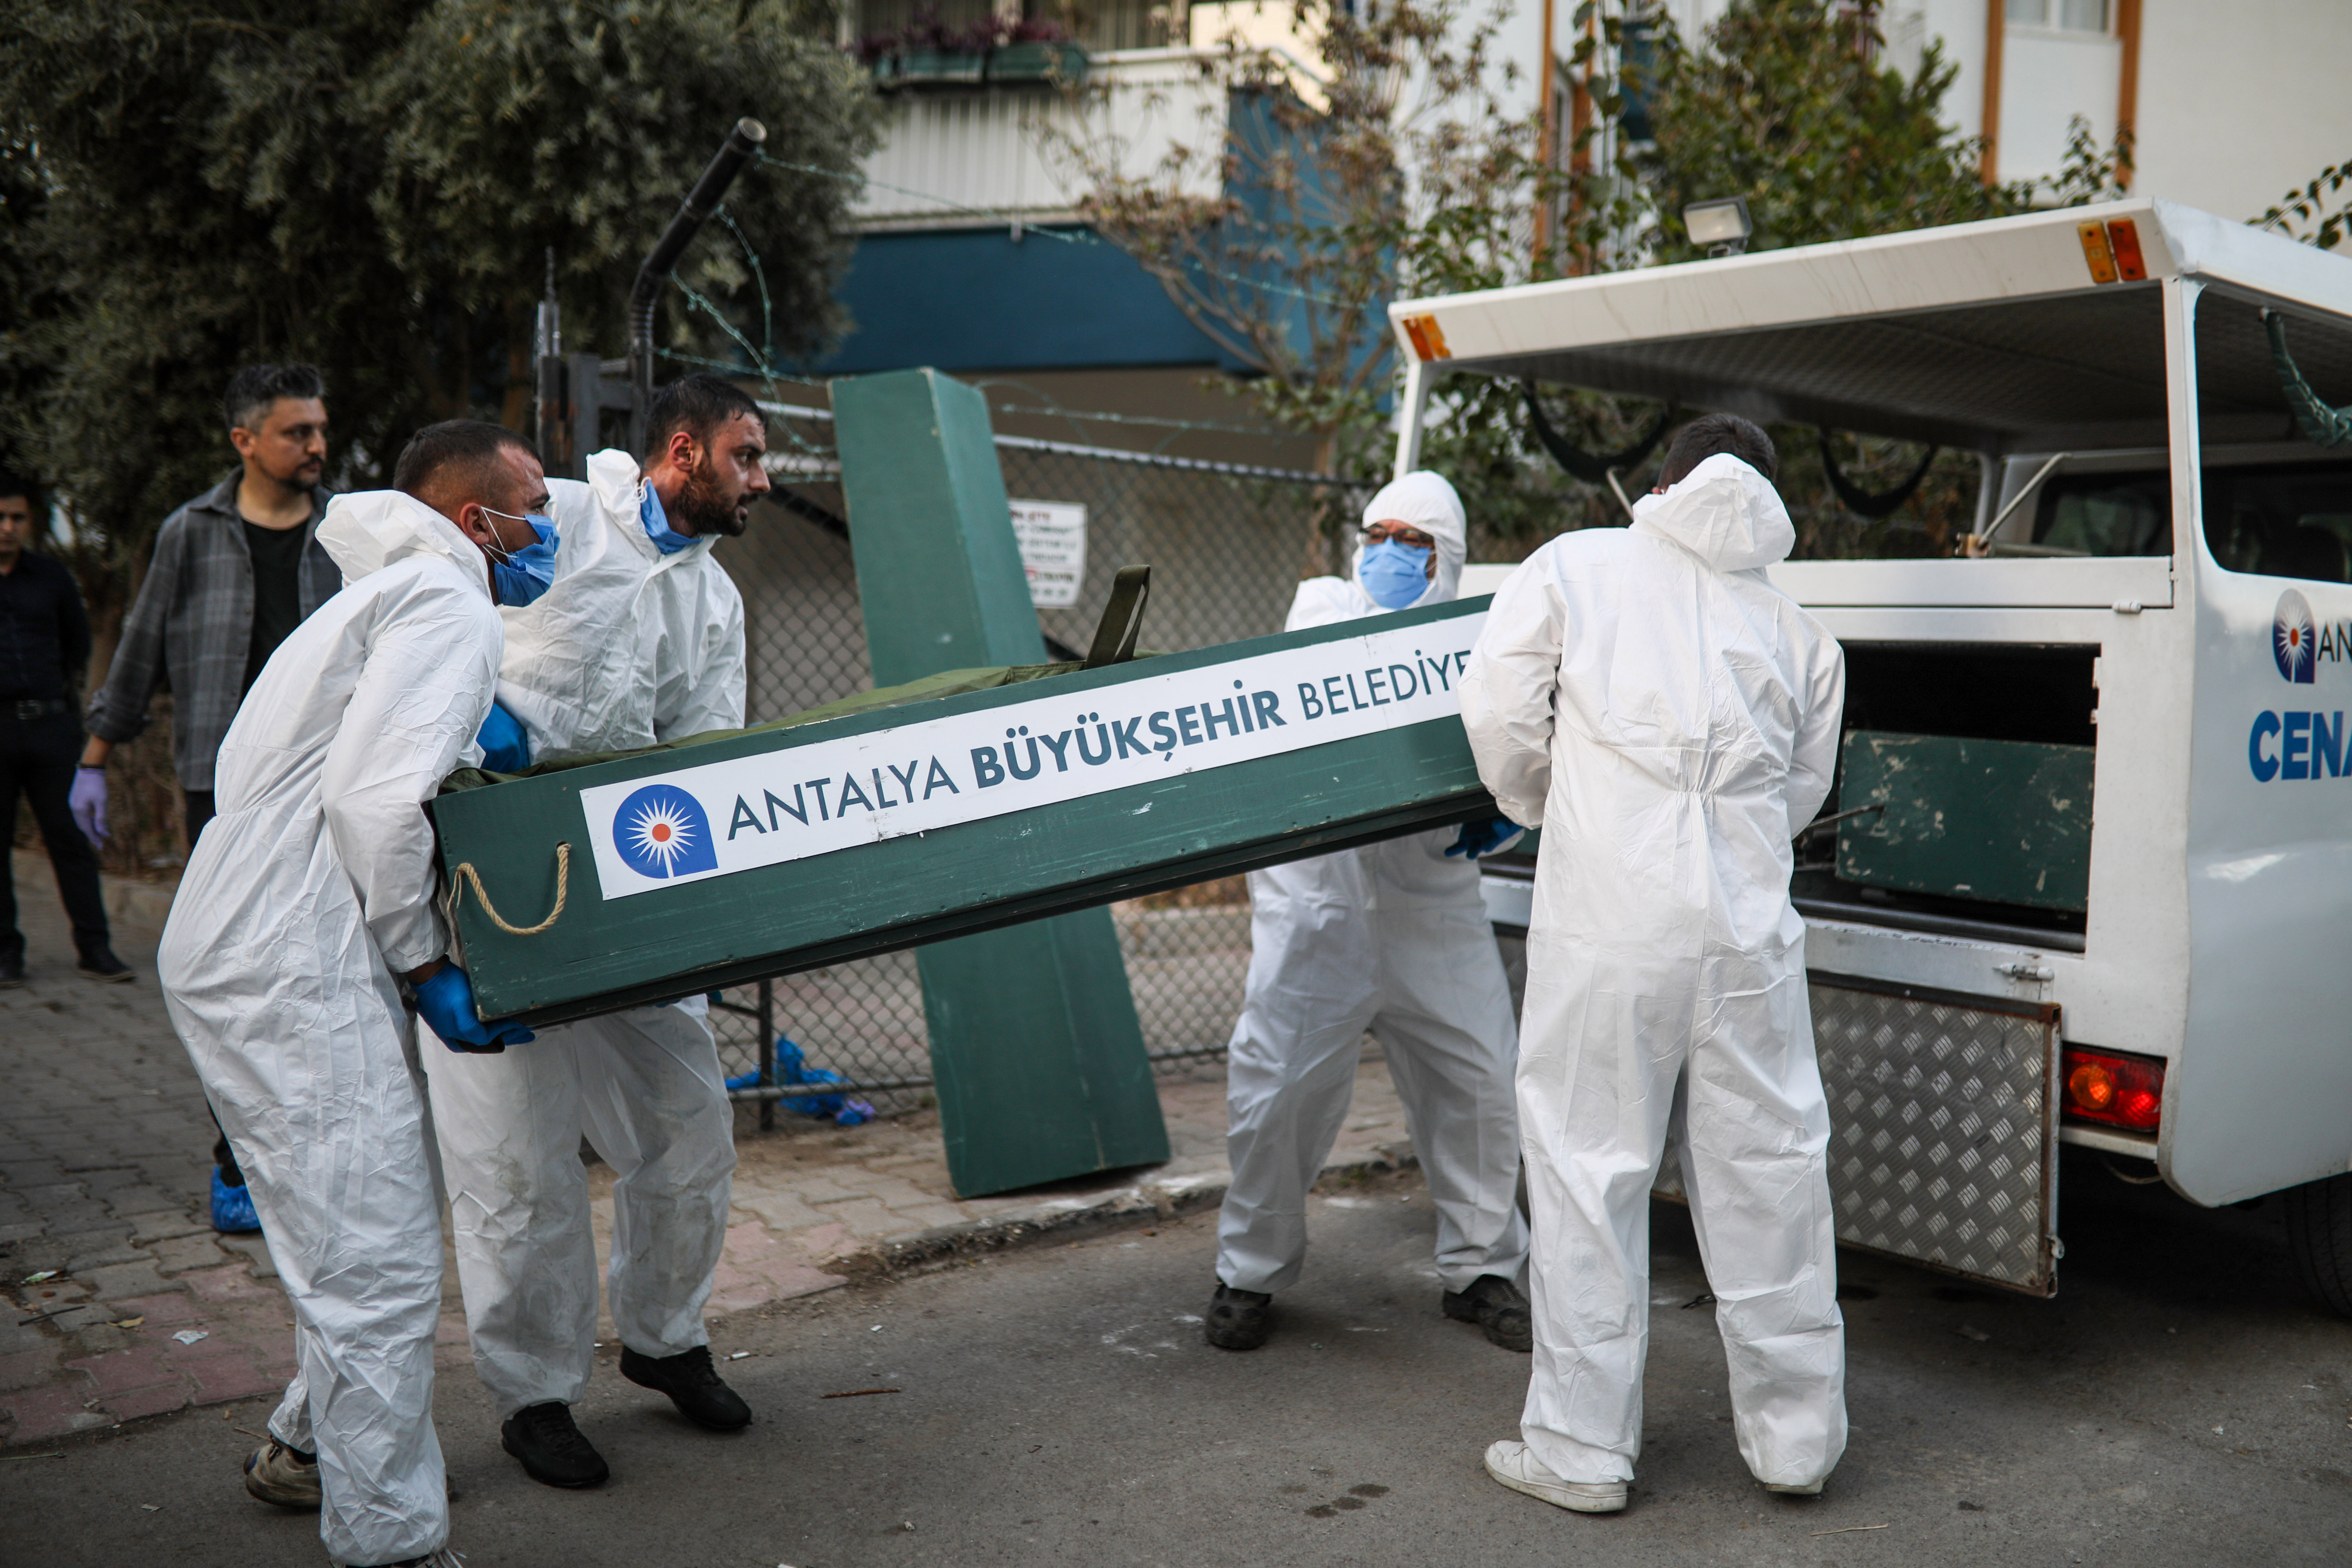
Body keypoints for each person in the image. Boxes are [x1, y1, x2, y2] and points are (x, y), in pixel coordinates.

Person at [158, 420, 557, 1568]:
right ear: (477, 519)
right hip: (292, 953)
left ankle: (305, 1447)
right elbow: (377, 807)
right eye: (536, 501)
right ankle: (393, 1545)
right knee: (374, 1259)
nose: (552, 527)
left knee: (350, 1222)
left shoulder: (371, 606)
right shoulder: (446, 600)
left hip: (256, 934)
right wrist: (428, 966)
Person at [1458, 414, 1848, 1516]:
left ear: (1662, 482)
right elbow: (1801, 795)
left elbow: (1496, 712)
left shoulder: (1575, 568)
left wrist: (1549, 806)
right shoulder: (1803, 635)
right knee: (1772, 1177)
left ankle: (1582, 1452)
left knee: (1591, 1172)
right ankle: (1797, 1444)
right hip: (1748, 945)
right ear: (1770, 500)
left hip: (1609, 929)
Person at [425, 372, 764, 1491]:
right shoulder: (562, 516)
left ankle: (665, 1340)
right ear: (684, 452)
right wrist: (472, 711)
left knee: (688, 1121)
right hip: (493, 895)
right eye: (748, 456)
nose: (763, 480)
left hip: (627, 891)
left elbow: (706, 749)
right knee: (519, 1161)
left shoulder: (714, 601)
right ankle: (535, 1396)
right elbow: (423, 583)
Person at [1205, 470, 1533, 1355]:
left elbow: (1521, 756)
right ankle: (1250, 1271)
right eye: (1379, 534)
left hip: (1433, 901)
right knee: (1277, 1093)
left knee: (1482, 1084)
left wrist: (1499, 813)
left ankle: (1483, 1268)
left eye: (1415, 543)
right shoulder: (1321, 612)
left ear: (1451, 561)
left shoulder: (1485, 641)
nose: (1390, 554)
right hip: (1321, 906)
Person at [79, 364, 341, 1230]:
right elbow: (143, 641)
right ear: (244, 441)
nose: (316, 445)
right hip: (219, 787)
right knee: (237, 970)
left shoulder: (344, 530)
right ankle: (237, 1159)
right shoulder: (190, 531)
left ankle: (317, 1157)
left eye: (319, 429)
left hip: (321, 779)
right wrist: (95, 754)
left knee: (319, 969)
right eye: (296, 431)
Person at [0, 469, 127, 987]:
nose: (7, 527)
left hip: (51, 728)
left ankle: (95, 949)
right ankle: (7, 955)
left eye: (16, 517)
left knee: (71, 839)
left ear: (29, 522)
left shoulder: (51, 578)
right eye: (0, 517)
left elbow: (78, 644)